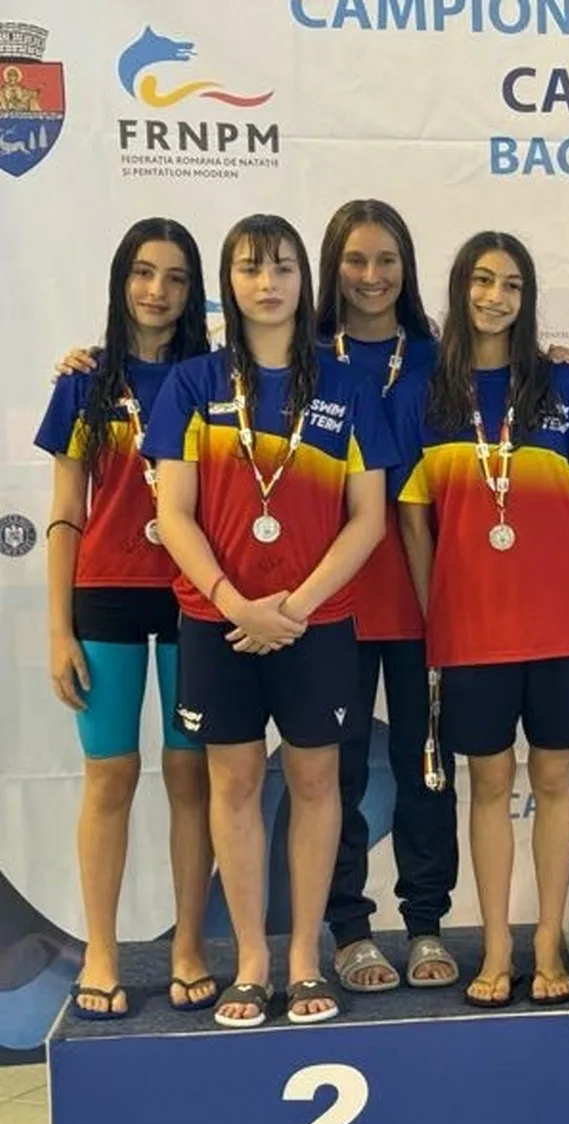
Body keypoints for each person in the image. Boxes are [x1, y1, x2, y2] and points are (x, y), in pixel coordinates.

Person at [143, 213, 393, 1028]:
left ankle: (304, 957)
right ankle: (251, 960)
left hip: (315, 623)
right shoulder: (193, 384)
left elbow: (368, 519)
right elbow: (173, 512)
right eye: (251, 268)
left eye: (283, 267)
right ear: (229, 282)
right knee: (235, 783)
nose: (269, 283)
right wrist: (234, 603)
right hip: (218, 622)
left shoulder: (346, 387)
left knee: (317, 784)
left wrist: (294, 609)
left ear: (303, 279)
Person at [395, 231, 569, 1007]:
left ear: (527, 298)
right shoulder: (424, 393)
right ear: (460, 289)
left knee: (553, 779)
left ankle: (546, 944)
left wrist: (567, 579)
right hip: (471, 628)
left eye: (512, 285)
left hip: (560, 627)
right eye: (483, 281)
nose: (496, 297)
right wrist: (440, 605)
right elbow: (413, 518)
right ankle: (493, 948)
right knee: (487, 784)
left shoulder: (563, 385)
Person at [34, 218, 215, 1019]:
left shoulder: (212, 380)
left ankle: (188, 944)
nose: (157, 291)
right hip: (103, 596)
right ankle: (102, 951)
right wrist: (57, 629)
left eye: (175, 278)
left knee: (190, 774)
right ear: (121, 281)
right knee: (109, 776)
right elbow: (65, 510)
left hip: (189, 593)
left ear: (193, 291)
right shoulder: (83, 382)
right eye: (144, 273)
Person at [314, 199, 460, 995]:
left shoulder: (443, 359)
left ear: (407, 269)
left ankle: (427, 921)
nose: (372, 277)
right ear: (331, 266)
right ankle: (350, 930)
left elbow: (511, 387)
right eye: (356, 260)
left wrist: (556, 357)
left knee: (425, 768)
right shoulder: (300, 359)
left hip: (425, 600)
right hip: (328, 603)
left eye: (387, 261)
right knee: (331, 777)